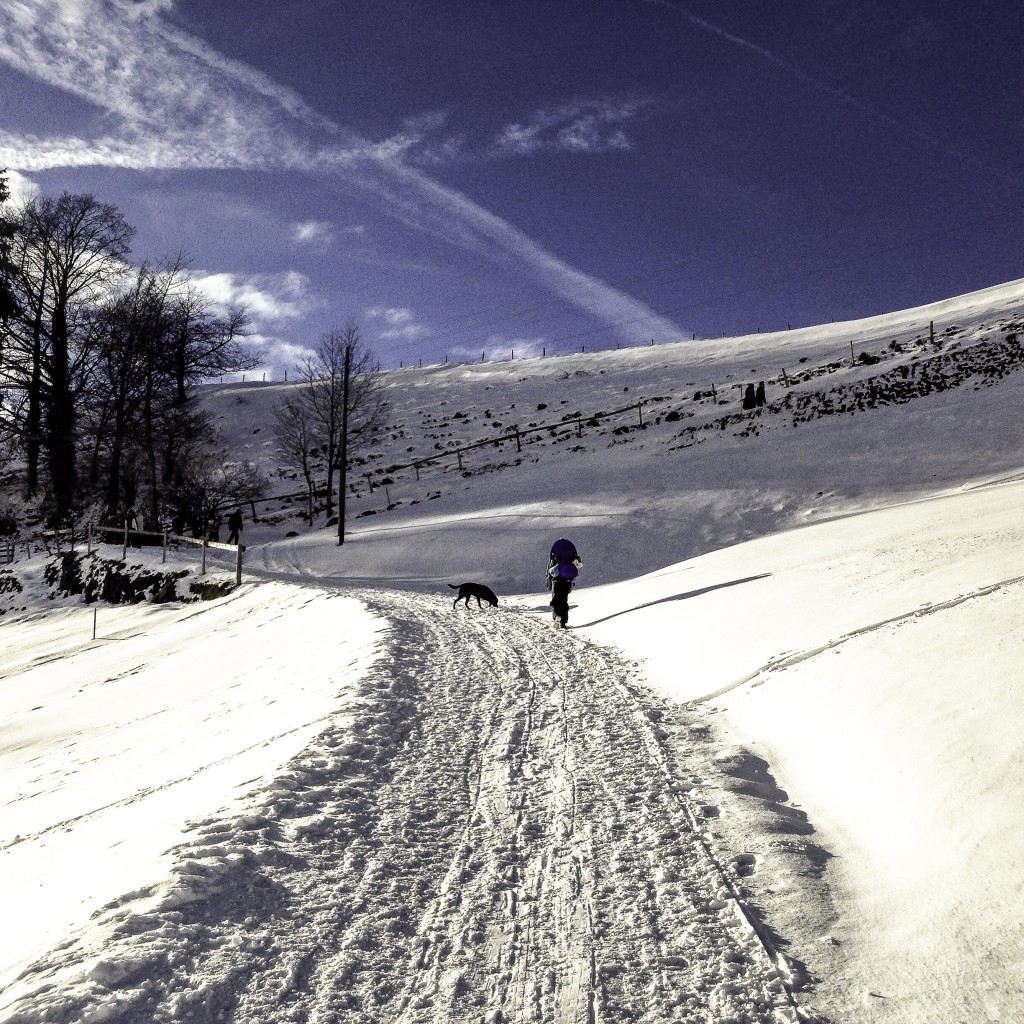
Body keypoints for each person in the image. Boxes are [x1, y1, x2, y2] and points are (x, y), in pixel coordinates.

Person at [549, 560, 577, 629]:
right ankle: (563, 622)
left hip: (557, 582)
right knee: (564, 601)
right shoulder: (571, 552)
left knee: (555, 600)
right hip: (567, 582)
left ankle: (556, 615)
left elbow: (550, 572)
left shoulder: (556, 554)